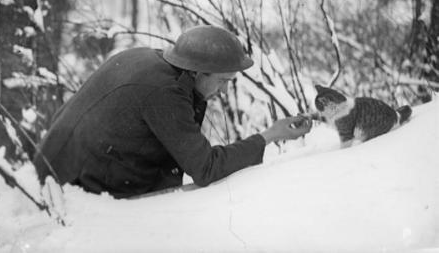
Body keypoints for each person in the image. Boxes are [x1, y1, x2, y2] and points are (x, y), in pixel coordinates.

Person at [33, 25, 312, 198]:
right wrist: (269, 136)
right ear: (198, 71)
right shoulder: (164, 91)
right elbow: (206, 168)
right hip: (76, 189)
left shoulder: (153, 60)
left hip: (57, 164)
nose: (224, 92)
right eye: (223, 81)